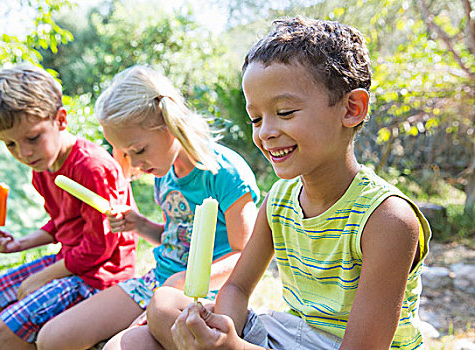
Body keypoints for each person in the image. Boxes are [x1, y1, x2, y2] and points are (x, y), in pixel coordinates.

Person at [162, 16, 433, 350]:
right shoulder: (280, 200)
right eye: (256, 118)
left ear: (351, 108)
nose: (266, 132)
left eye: (285, 112)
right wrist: (223, 330)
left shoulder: (388, 219)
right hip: (293, 335)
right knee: (163, 309)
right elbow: (235, 289)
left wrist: (231, 348)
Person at [33, 65, 260, 350]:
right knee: (52, 338)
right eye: (127, 153)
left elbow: (247, 255)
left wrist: (183, 281)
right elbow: (178, 236)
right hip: (158, 279)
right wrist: (139, 224)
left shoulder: (224, 173)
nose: (135, 163)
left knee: (117, 348)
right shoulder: (164, 172)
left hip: (203, 294)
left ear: (170, 123)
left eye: (139, 150)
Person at [0, 64, 138, 350]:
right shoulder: (43, 167)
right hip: (73, 260)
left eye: (33, 138)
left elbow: (100, 247)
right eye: (10, 144)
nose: (23, 153)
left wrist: (44, 277)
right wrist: (21, 243)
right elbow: (62, 223)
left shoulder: (91, 168)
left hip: (101, 274)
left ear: (60, 119)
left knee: (5, 332)